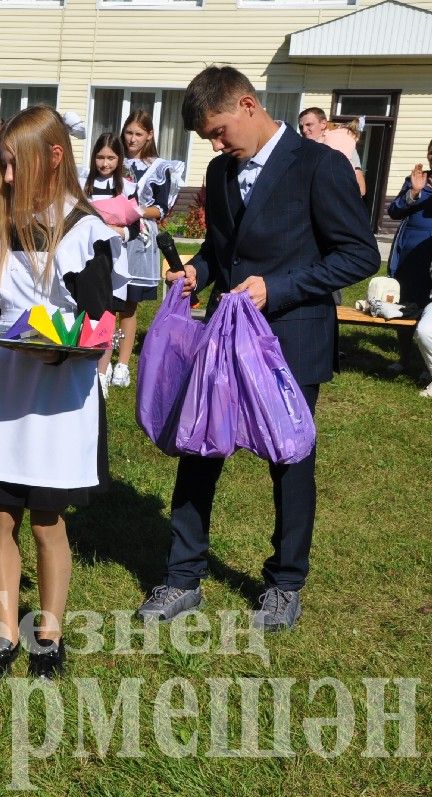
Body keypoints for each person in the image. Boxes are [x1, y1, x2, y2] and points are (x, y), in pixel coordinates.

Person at [138, 66, 377, 631]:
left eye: (220, 131)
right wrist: (197, 272)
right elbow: (225, 254)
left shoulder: (320, 166)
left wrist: (280, 288)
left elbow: (359, 255)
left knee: (289, 460)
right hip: (225, 337)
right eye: (208, 140)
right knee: (200, 450)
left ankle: (285, 583)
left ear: (247, 104)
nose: (217, 146)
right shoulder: (221, 172)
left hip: (292, 338)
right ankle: (182, 576)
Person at [0, 107, 128, 679]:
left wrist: (58, 347)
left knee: (46, 519)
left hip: (56, 398)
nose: (6, 178)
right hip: (6, 389)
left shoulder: (86, 230)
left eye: (16, 165)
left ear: (56, 157)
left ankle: (50, 633)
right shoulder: (3, 225)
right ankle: (6, 633)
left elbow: (100, 325)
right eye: (2, 164)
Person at [108, 109, 178, 389]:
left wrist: (134, 210)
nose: (132, 139)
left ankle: (122, 364)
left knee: (128, 303)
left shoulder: (160, 168)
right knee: (106, 300)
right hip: (111, 233)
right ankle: (100, 360)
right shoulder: (114, 160)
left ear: (149, 135)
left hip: (140, 237)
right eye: (129, 133)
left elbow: (161, 207)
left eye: (138, 133)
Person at [81, 132, 138, 395]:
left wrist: (121, 231)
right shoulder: (83, 184)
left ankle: (102, 372)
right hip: (86, 254)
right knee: (85, 308)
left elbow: (135, 227)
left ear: (120, 158)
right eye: (100, 157)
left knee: (108, 309)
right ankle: (82, 364)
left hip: (113, 255)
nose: (105, 164)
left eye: (111, 158)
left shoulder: (127, 187)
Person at [385, 147, 432, 382]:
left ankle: (427, 363)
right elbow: (394, 211)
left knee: (428, 307)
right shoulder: (417, 180)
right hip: (408, 256)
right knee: (405, 306)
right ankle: (404, 358)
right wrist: (414, 192)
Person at [299, 107, 367, 197]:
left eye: (309, 125)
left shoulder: (342, 144)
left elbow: (361, 189)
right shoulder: (300, 148)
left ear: (323, 124)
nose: (303, 130)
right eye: (301, 126)